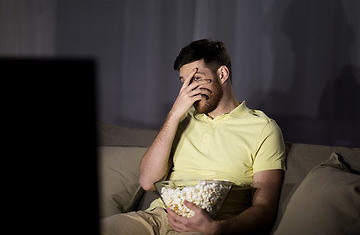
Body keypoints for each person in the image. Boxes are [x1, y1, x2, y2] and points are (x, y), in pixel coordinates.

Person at [100, 39, 286, 235]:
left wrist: (216, 229)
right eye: (184, 82)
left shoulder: (263, 128)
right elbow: (147, 181)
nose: (189, 90)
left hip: (210, 226)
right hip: (159, 218)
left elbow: (264, 209)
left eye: (196, 79)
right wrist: (174, 114)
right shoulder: (180, 120)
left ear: (222, 74)